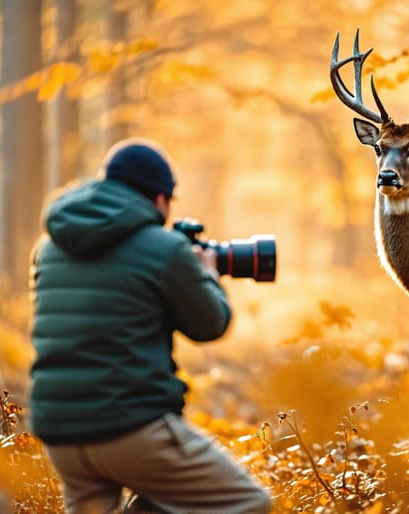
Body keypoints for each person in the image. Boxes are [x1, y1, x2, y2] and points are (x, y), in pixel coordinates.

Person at [29, 138, 273, 514]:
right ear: (159, 199)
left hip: (60, 432)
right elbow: (211, 324)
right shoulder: (163, 248)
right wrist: (206, 274)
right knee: (248, 502)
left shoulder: (48, 248)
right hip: (131, 427)